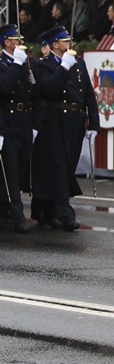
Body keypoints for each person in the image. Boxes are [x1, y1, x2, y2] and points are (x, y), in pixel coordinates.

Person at [33, 26, 100, 232]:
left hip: (74, 121)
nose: (69, 43)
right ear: (54, 44)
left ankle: (46, 209)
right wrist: (63, 68)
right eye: (64, 41)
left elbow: (88, 94)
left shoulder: (78, 62)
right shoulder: (44, 65)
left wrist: (94, 124)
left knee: (68, 165)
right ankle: (65, 212)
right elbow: (48, 89)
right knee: (59, 166)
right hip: (53, 121)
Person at [0, 25, 34, 233]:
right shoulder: (5, 63)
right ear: (6, 42)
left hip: (23, 121)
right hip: (6, 121)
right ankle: (17, 215)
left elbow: (32, 90)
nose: (20, 43)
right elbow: (3, 88)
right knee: (10, 170)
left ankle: (6, 211)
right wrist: (16, 64)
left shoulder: (23, 62)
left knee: (20, 167)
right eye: (16, 40)